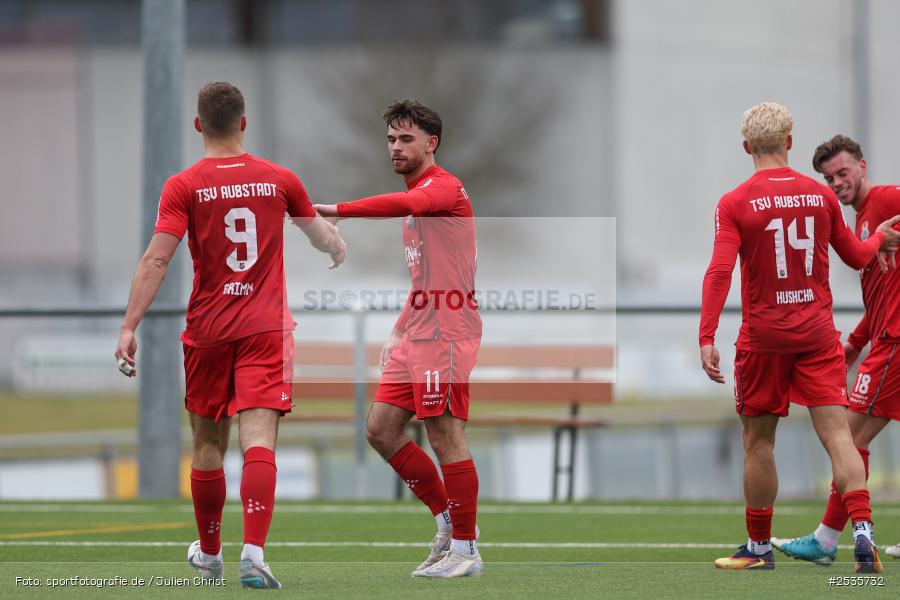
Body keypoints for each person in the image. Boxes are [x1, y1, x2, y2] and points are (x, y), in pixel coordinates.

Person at [114, 81, 346, 589]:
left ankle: (212, 554)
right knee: (259, 440)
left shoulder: (184, 185)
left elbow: (157, 258)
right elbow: (317, 232)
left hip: (209, 330)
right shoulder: (280, 179)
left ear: (199, 125)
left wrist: (130, 325)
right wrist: (336, 248)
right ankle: (255, 554)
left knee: (207, 445)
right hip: (265, 327)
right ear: (244, 123)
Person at [698, 102, 900, 573]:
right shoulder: (821, 196)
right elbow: (855, 257)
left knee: (758, 442)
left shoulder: (734, 202)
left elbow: (719, 271)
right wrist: (878, 242)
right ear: (789, 142)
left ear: (747, 147)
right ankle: (863, 540)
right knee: (839, 439)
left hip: (764, 340)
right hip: (817, 337)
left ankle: (759, 548)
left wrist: (706, 335)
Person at [314, 99, 483, 578]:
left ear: (432, 143)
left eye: (406, 139)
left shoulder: (441, 189)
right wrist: (398, 329)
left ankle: (467, 551)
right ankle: (448, 522)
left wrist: (336, 209)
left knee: (445, 433)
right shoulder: (419, 202)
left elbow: (407, 204)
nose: (395, 147)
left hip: (448, 331)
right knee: (381, 429)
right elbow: (426, 280)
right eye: (391, 139)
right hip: (421, 329)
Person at [773, 136, 900, 562]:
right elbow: (881, 299)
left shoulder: (884, 201)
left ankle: (827, 540)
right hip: (882, 339)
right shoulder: (861, 221)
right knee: (849, 439)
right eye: (829, 178)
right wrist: (853, 343)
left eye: (843, 173)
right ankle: (826, 539)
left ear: (862, 167)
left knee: (848, 437)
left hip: (895, 345)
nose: (837, 183)